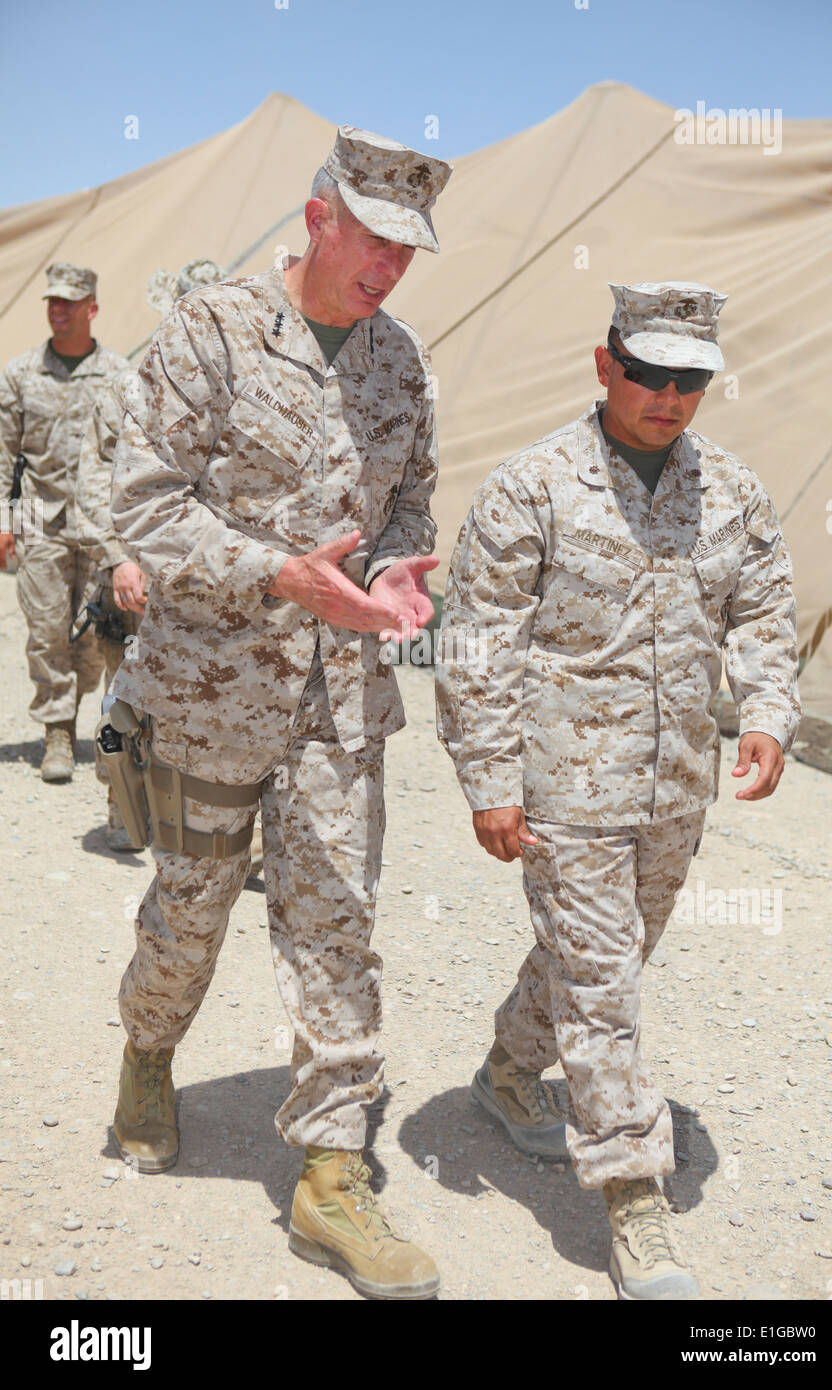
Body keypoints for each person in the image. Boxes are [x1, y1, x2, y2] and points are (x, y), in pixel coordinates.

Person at [107, 127, 451, 1300]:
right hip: (208, 694)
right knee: (189, 909)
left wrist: (400, 572)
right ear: (318, 220)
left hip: (337, 705)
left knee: (336, 923)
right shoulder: (210, 332)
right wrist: (275, 572)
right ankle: (148, 1052)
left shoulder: (401, 367)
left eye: (410, 248)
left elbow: (406, 509)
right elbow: (144, 507)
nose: (391, 267)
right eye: (376, 239)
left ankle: (329, 1167)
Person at [435, 281, 800, 1300]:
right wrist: (489, 779)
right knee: (606, 990)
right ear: (604, 364)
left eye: (688, 379)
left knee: (601, 958)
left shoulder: (727, 487)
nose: (666, 395)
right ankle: (633, 1197)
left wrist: (766, 713)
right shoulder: (531, 485)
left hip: (673, 786)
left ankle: (508, 1074)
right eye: (646, 371)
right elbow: (475, 641)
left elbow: (764, 611)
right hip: (563, 792)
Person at [75, 260, 227, 850]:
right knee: (129, 701)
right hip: (136, 582)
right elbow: (93, 481)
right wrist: (118, 560)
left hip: (214, 585)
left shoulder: (246, 392)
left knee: (220, 708)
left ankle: (224, 829)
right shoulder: (127, 389)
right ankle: (126, 811)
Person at [0, 265, 127, 780]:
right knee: (47, 629)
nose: (59, 309)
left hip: (98, 524)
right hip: (39, 517)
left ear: (92, 307)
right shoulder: (21, 372)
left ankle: (93, 725)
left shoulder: (119, 374)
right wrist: (3, 521)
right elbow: (4, 453)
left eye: (70, 301)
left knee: (96, 635)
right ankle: (56, 730)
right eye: (53, 300)